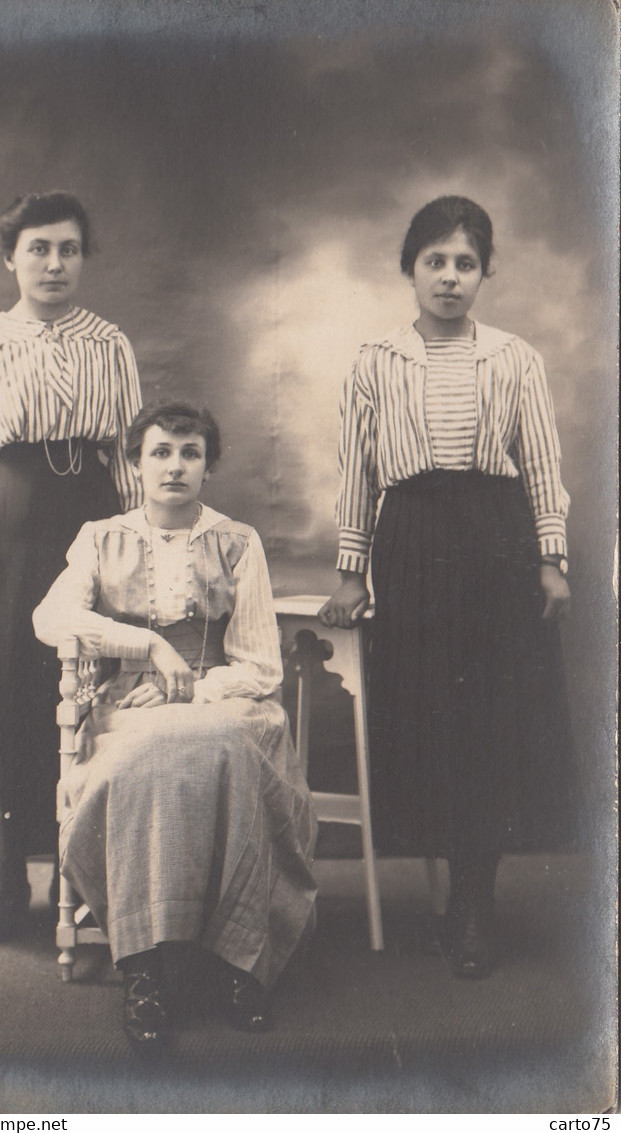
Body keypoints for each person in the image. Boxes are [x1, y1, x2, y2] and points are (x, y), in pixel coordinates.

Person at [319, 196, 576, 979]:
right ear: (408, 269)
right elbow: (357, 476)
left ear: (484, 273)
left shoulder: (514, 359)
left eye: (465, 262)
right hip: (412, 542)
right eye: (434, 260)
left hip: (494, 541)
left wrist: (550, 557)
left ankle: (473, 902)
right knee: (430, 711)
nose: (449, 277)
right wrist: (349, 571)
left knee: (490, 720)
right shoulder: (373, 361)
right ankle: (445, 890)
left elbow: (538, 465)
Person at [32, 403, 317, 1051]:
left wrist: (196, 687)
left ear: (208, 468)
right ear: (135, 464)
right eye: (160, 451)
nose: (174, 465)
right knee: (134, 760)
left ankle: (238, 964)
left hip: (225, 699)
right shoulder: (100, 537)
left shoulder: (236, 541)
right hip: (131, 702)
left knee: (229, 749)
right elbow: (50, 616)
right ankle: (142, 968)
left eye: (190, 452)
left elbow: (259, 664)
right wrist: (145, 647)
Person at [0, 191, 143, 944]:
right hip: (7, 527)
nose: (53, 263)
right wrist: (9, 508)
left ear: (83, 258)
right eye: (38, 248)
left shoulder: (111, 343)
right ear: (9, 256)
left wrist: (125, 536)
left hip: (94, 516)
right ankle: (12, 882)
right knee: (11, 695)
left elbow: (132, 454)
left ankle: (76, 878)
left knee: (92, 691)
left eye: (68, 249)